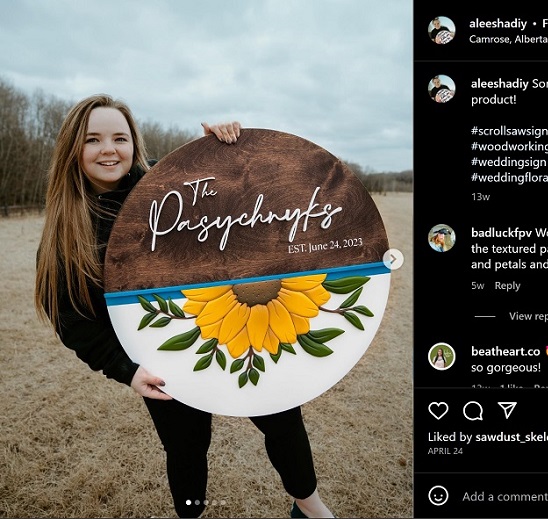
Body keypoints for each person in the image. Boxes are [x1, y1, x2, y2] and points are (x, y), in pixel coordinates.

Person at [34, 94, 334, 519]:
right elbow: (74, 322)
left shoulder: (170, 185)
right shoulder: (69, 230)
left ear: (134, 145)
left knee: (282, 416)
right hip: (163, 353)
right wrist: (127, 370)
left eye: (120, 137)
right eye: (93, 139)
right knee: (186, 446)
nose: (108, 149)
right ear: (72, 149)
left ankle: (311, 507)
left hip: (236, 327)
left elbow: (241, 199)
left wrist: (222, 151)